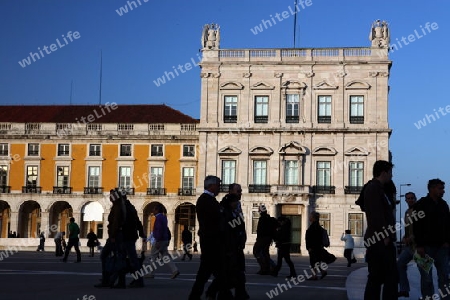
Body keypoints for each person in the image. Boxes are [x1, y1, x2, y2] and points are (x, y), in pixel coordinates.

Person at [363, 160, 397, 300]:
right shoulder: (373, 188)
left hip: (381, 238)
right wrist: (385, 235)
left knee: (385, 277)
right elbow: (375, 214)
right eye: (390, 173)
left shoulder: (380, 189)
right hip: (379, 239)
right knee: (379, 277)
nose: (391, 176)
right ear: (383, 172)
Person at [188, 175, 224, 300]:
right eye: (218, 185)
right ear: (211, 186)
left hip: (210, 240)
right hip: (211, 241)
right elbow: (214, 220)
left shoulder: (208, 200)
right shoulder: (205, 200)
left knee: (206, 272)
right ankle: (209, 293)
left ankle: (201, 294)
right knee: (217, 272)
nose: (219, 187)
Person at [413, 179, 450, 299]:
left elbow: (448, 224)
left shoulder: (444, 205)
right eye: (440, 188)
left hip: (441, 248)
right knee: (426, 279)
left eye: (443, 188)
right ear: (431, 189)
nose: (443, 191)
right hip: (425, 248)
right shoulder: (421, 204)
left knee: (444, 276)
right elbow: (416, 226)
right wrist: (419, 245)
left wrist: (447, 242)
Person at [145, 203, 179, 280]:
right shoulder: (164, 217)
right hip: (164, 239)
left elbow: (159, 230)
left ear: (157, 210)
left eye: (154, 209)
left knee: (153, 256)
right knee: (165, 256)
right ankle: (175, 270)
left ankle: (150, 273)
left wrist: (158, 240)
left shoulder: (158, 218)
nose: (152, 211)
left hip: (159, 240)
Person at [396, 192, 417, 298]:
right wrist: (404, 237)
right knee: (399, 264)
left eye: (412, 198)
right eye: (408, 198)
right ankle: (404, 289)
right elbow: (408, 228)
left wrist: (411, 238)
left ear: (415, 199)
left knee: (425, 273)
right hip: (409, 247)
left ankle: (428, 295)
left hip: (419, 247)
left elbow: (420, 229)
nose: (410, 200)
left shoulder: (419, 211)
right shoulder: (407, 212)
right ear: (406, 200)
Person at [253, 204, 276, 275]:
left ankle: (264, 268)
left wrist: (258, 239)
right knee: (265, 253)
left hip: (262, 239)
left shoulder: (262, 219)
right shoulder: (269, 218)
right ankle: (270, 267)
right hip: (268, 239)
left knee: (256, 251)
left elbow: (260, 230)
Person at [305, 211, 328, 280]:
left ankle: (314, 276)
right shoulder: (317, 226)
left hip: (313, 247)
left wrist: (309, 247)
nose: (309, 217)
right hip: (318, 247)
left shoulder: (313, 227)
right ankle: (322, 271)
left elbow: (310, 238)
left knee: (313, 262)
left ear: (313, 218)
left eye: (310, 216)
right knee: (316, 261)